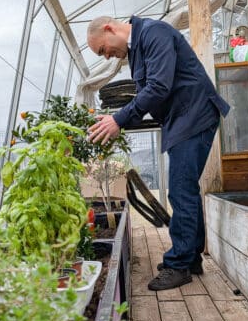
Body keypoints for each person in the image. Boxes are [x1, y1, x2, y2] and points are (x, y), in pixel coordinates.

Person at [86, 16, 230, 291]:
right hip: (181, 118)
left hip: (193, 114)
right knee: (184, 187)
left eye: (103, 49)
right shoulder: (137, 49)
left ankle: (180, 265)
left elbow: (159, 87)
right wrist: (120, 121)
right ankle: (190, 257)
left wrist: (119, 119)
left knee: (179, 189)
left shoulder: (154, 34)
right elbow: (151, 93)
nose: (106, 57)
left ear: (109, 29)